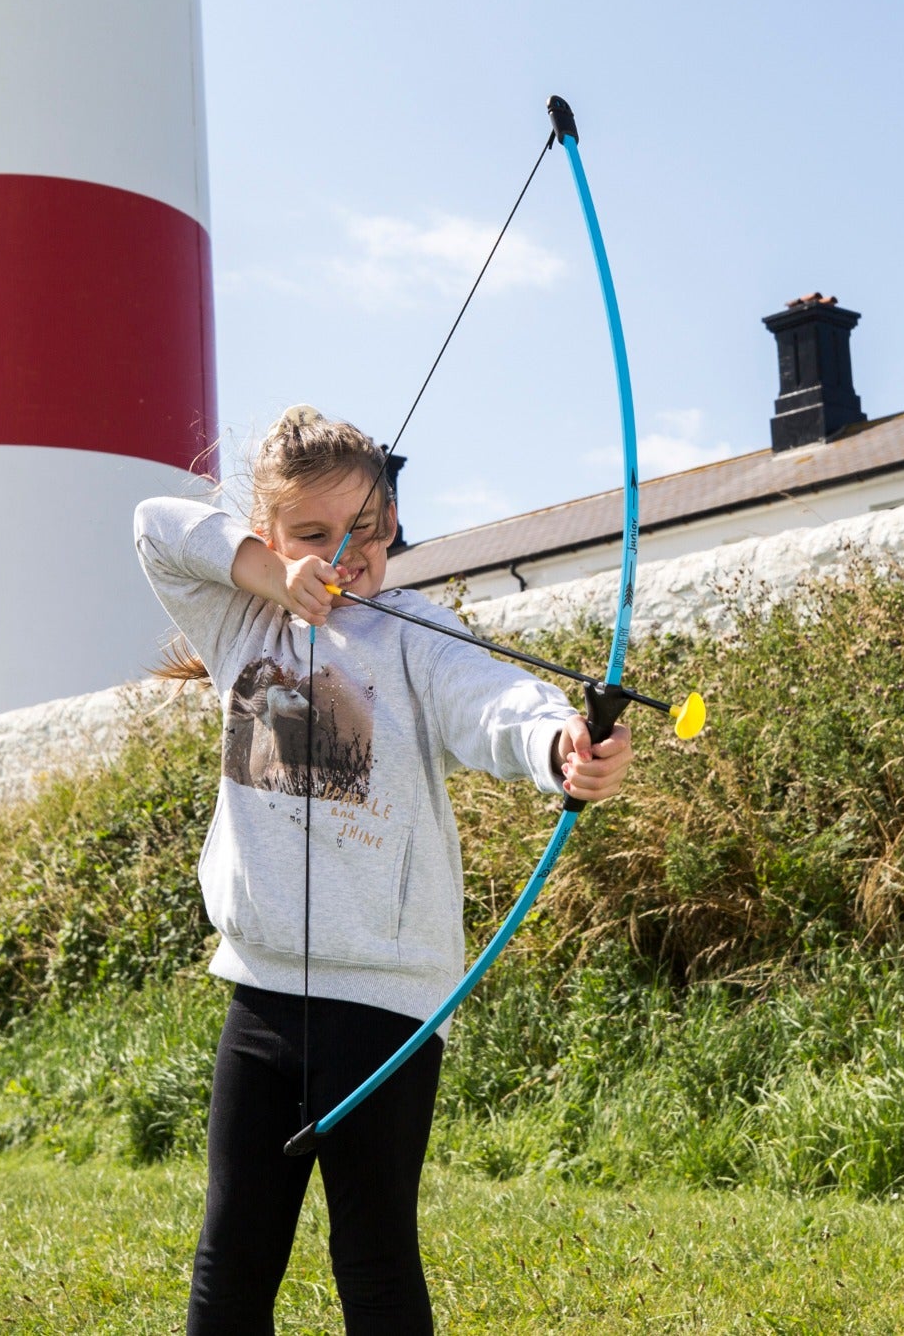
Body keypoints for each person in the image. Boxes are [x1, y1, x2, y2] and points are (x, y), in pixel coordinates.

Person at [136, 406, 634, 1336]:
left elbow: (498, 705)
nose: (345, 554)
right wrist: (271, 577)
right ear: (271, 533)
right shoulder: (243, 624)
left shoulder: (419, 637)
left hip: (389, 1012)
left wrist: (562, 744)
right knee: (232, 1257)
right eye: (314, 535)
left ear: (394, 522)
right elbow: (158, 528)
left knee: (373, 1258)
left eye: (364, 529)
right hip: (262, 995)